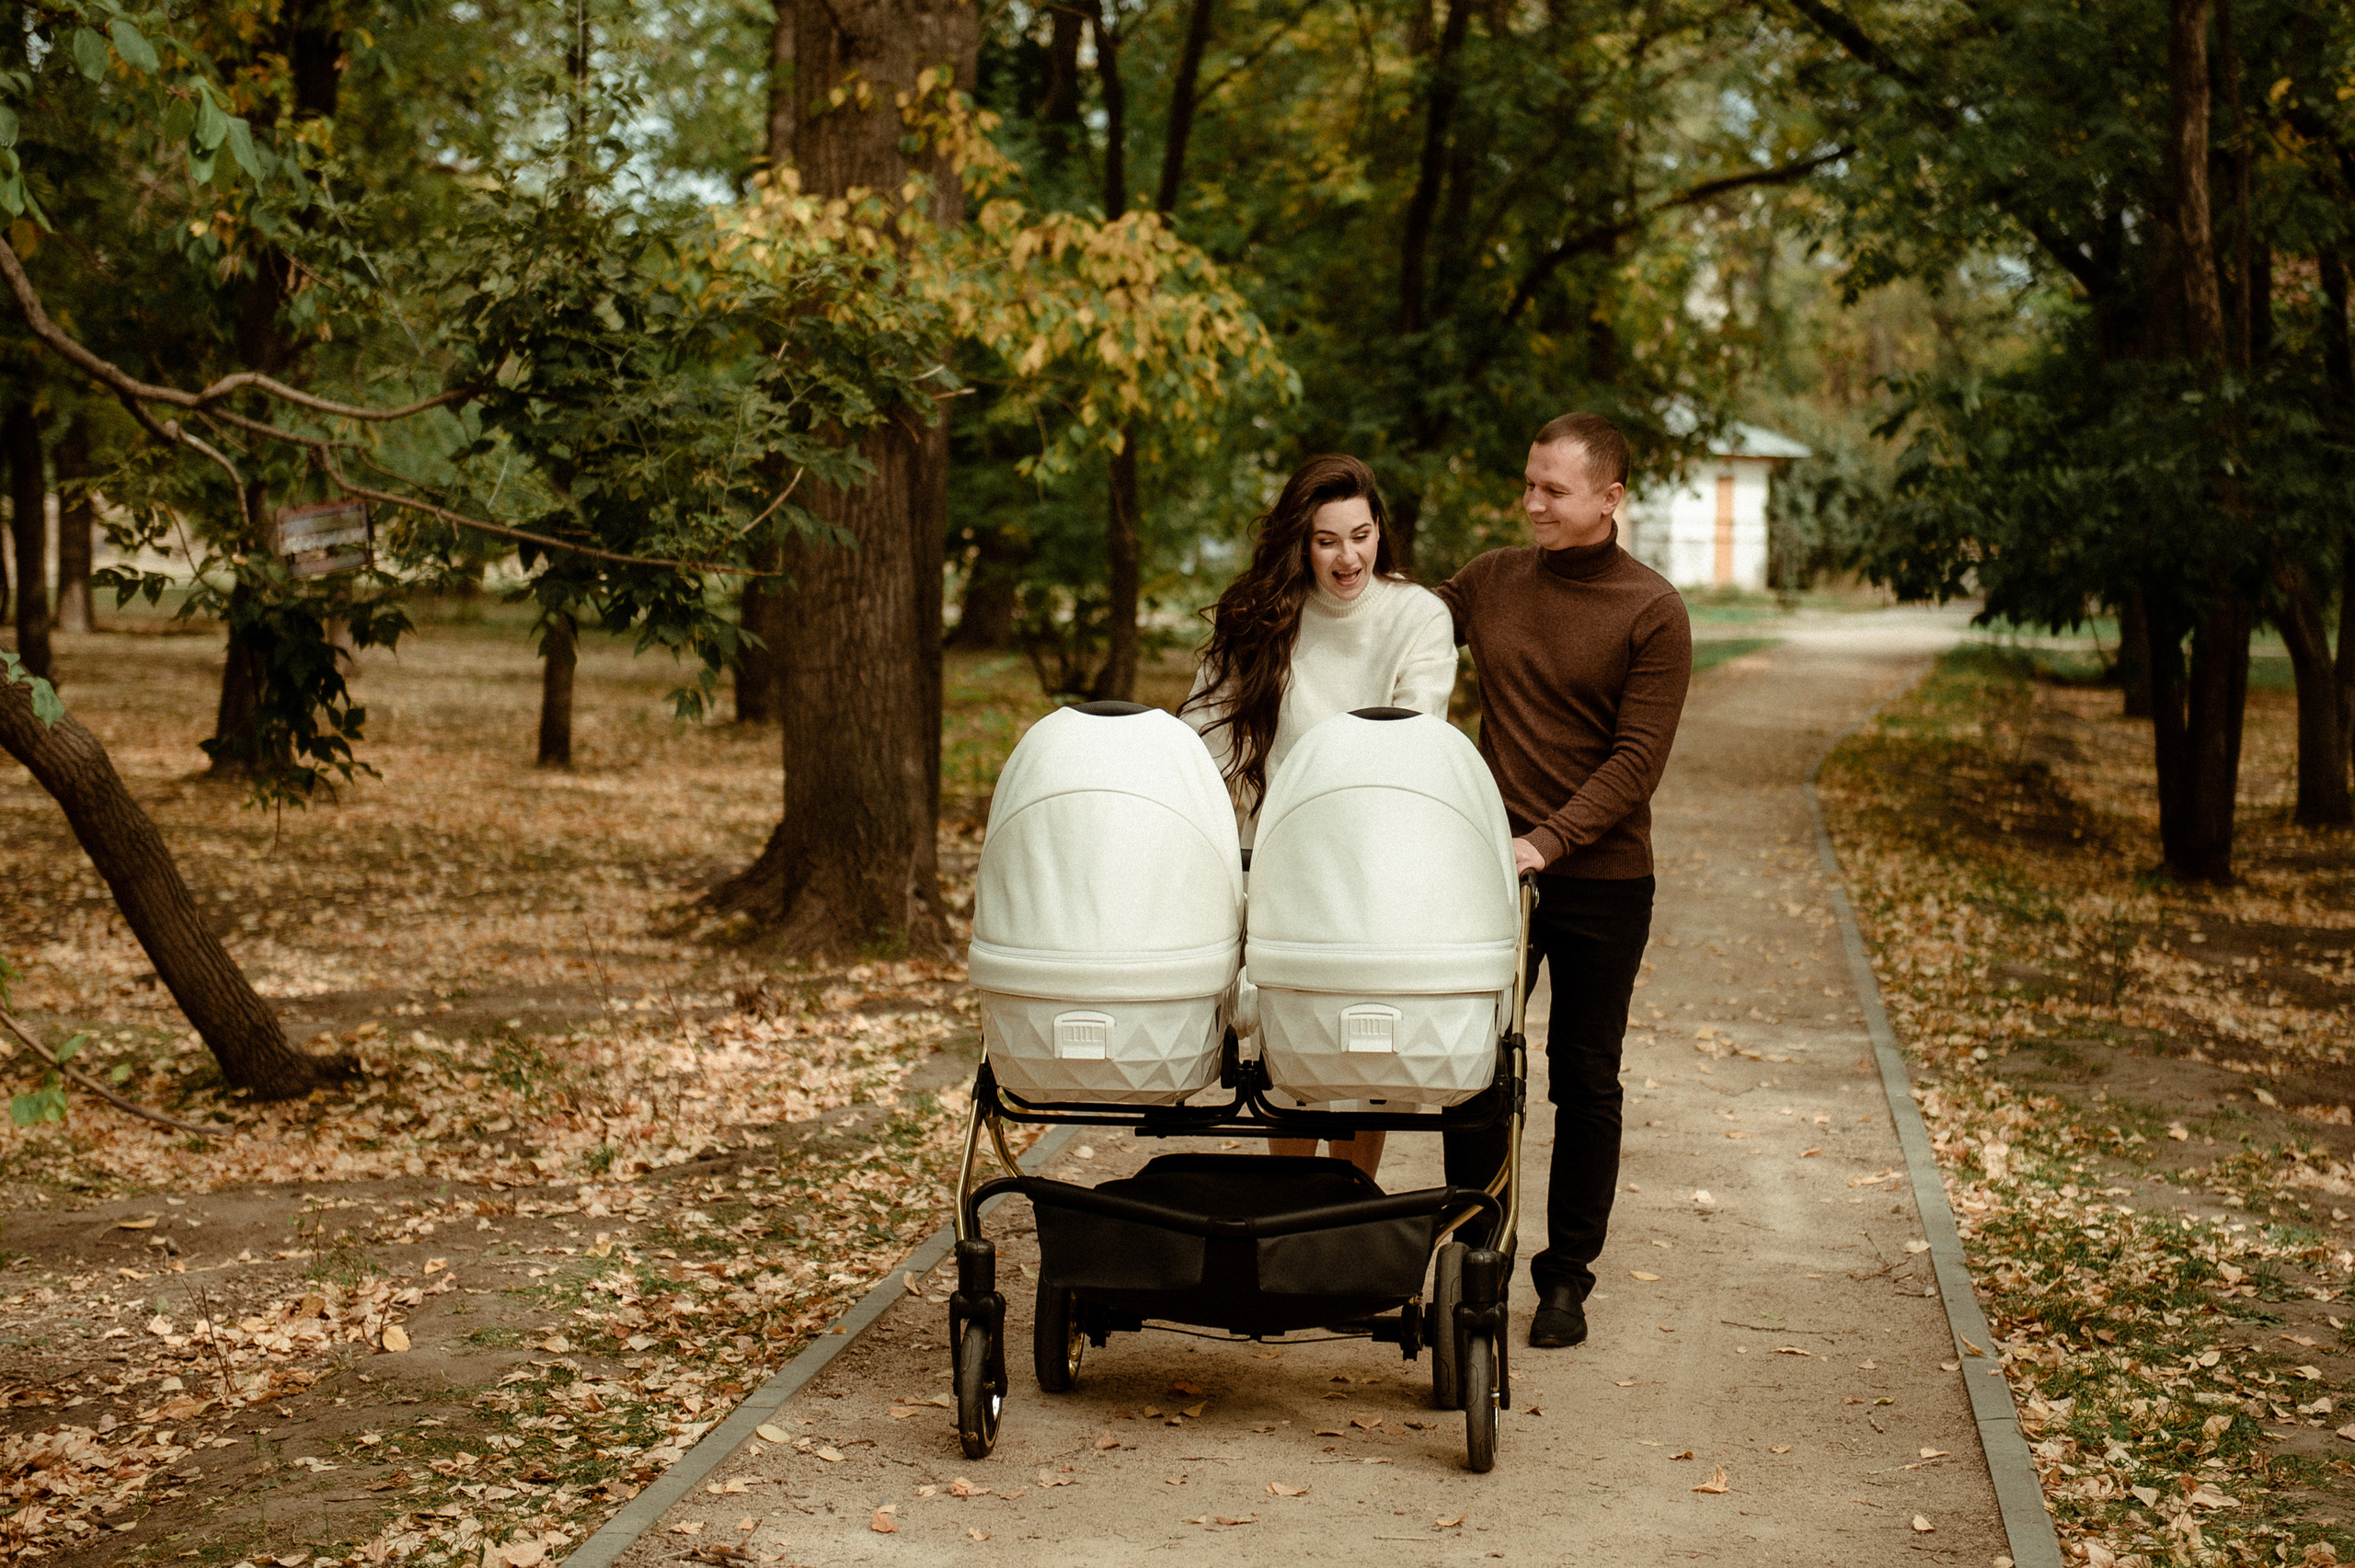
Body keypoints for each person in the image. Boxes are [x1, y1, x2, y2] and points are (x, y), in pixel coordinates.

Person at [1433, 411, 1692, 1350]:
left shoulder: (1651, 608)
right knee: (1469, 1067)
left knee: (1584, 1077)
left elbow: (1636, 761)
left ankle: (1566, 1277)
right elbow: (1401, 633)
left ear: (1609, 498)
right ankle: (1475, 1254)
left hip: (1602, 877)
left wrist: (1544, 840)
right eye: (1529, 483)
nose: (1533, 501)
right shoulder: (1492, 579)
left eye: (1555, 489)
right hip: (1488, 873)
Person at [1180, 453, 1456, 1183]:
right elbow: (1204, 735)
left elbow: (1412, 736)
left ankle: (1355, 1198)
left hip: (1377, 853)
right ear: (1301, 542)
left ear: (1379, 533)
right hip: (1275, 851)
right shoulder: (1261, 615)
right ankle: (1294, 1201)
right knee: (1291, 1039)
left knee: (1364, 1041)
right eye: (1328, 540)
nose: (1348, 556)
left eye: (1361, 535)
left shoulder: (1416, 615)